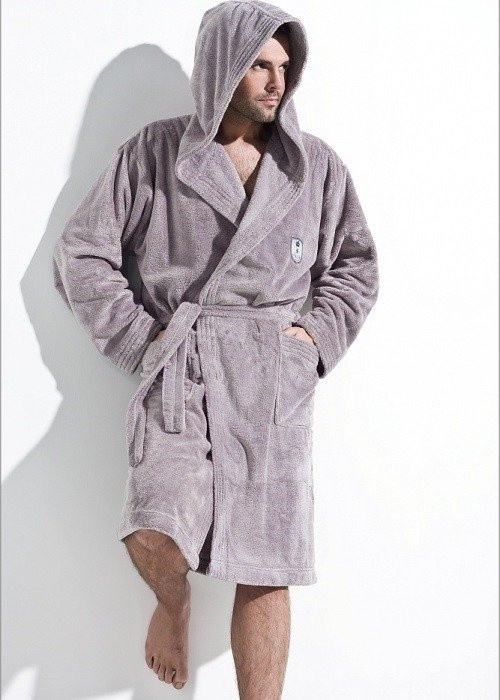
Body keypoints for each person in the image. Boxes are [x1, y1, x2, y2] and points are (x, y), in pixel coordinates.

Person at [52, 0, 379, 694]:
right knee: (153, 523)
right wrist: (143, 340)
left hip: (272, 381)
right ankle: (173, 604)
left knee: (266, 565)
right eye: (259, 64)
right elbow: (82, 254)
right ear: (222, 66)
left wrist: (314, 340)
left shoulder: (314, 167)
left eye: (284, 67)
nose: (276, 82)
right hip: (185, 368)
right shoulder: (156, 153)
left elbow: (356, 265)